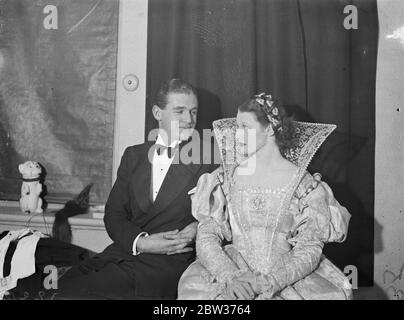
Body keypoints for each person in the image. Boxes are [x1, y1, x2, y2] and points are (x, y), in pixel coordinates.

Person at [178, 93, 352, 300]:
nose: (237, 135)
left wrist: (271, 282)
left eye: (245, 127)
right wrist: (231, 277)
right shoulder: (225, 178)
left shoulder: (305, 185)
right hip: (234, 277)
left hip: (286, 280)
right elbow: (206, 236)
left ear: (269, 128)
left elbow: (309, 249)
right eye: (237, 127)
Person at [57, 79, 219, 299]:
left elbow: (220, 215)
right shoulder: (134, 155)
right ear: (157, 112)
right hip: (124, 253)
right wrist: (141, 242)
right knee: (60, 286)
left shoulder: (208, 157)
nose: (189, 120)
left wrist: (195, 228)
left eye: (193, 112)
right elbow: (114, 215)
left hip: (165, 265)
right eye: (179, 111)